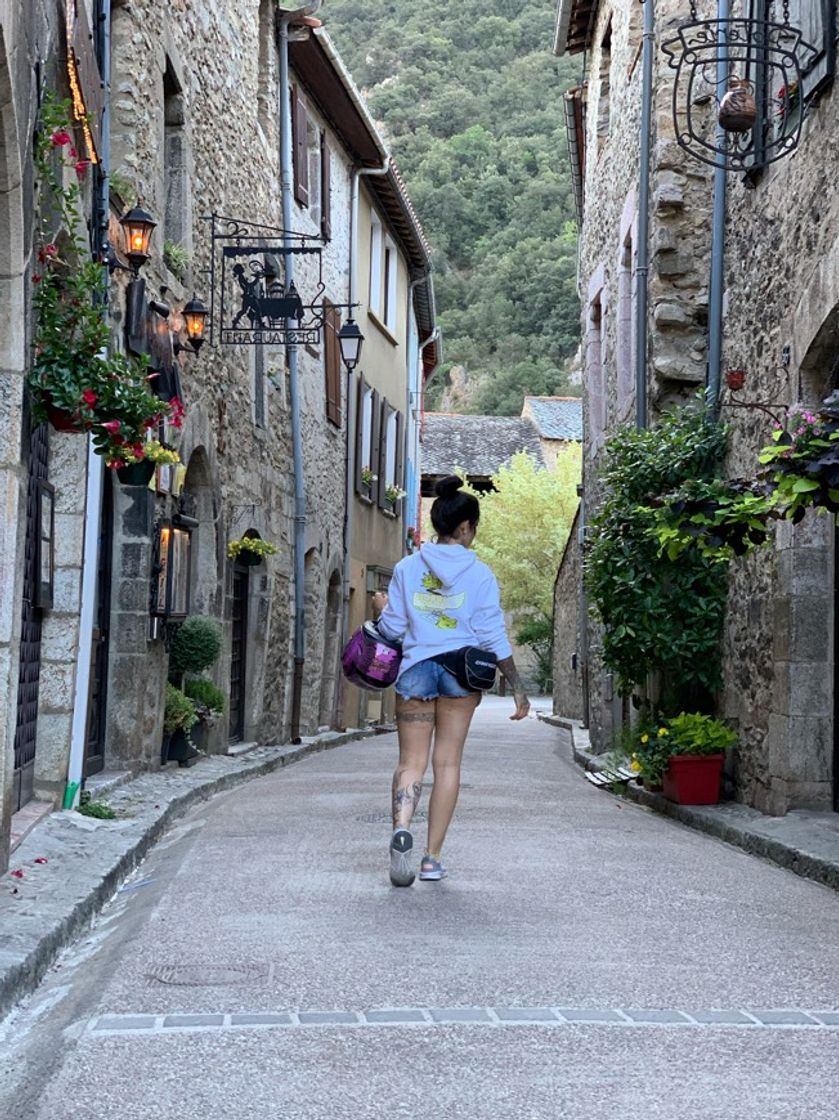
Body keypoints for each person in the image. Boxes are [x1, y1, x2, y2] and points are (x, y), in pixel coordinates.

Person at [372, 475, 530, 887]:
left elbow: (393, 627)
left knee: (410, 763)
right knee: (447, 764)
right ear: (465, 527)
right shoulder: (481, 574)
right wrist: (516, 686)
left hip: (416, 671)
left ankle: (401, 829)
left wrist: (380, 611)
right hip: (461, 674)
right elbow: (492, 635)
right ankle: (431, 858)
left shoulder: (407, 568)